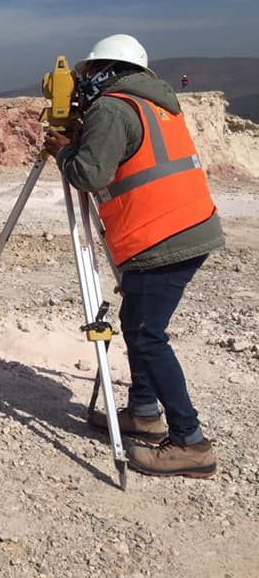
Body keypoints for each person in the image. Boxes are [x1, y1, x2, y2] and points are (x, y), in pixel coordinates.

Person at [43, 34, 224, 479]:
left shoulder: (111, 108)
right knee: (138, 324)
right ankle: (143, 412)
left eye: (87, 74)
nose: (82, 82)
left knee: (146, 334)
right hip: (190, 226)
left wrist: (64, 150)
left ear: (105, 69)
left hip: (160, 237)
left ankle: (191, 442)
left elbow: (89, 174)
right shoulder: (155, 104)